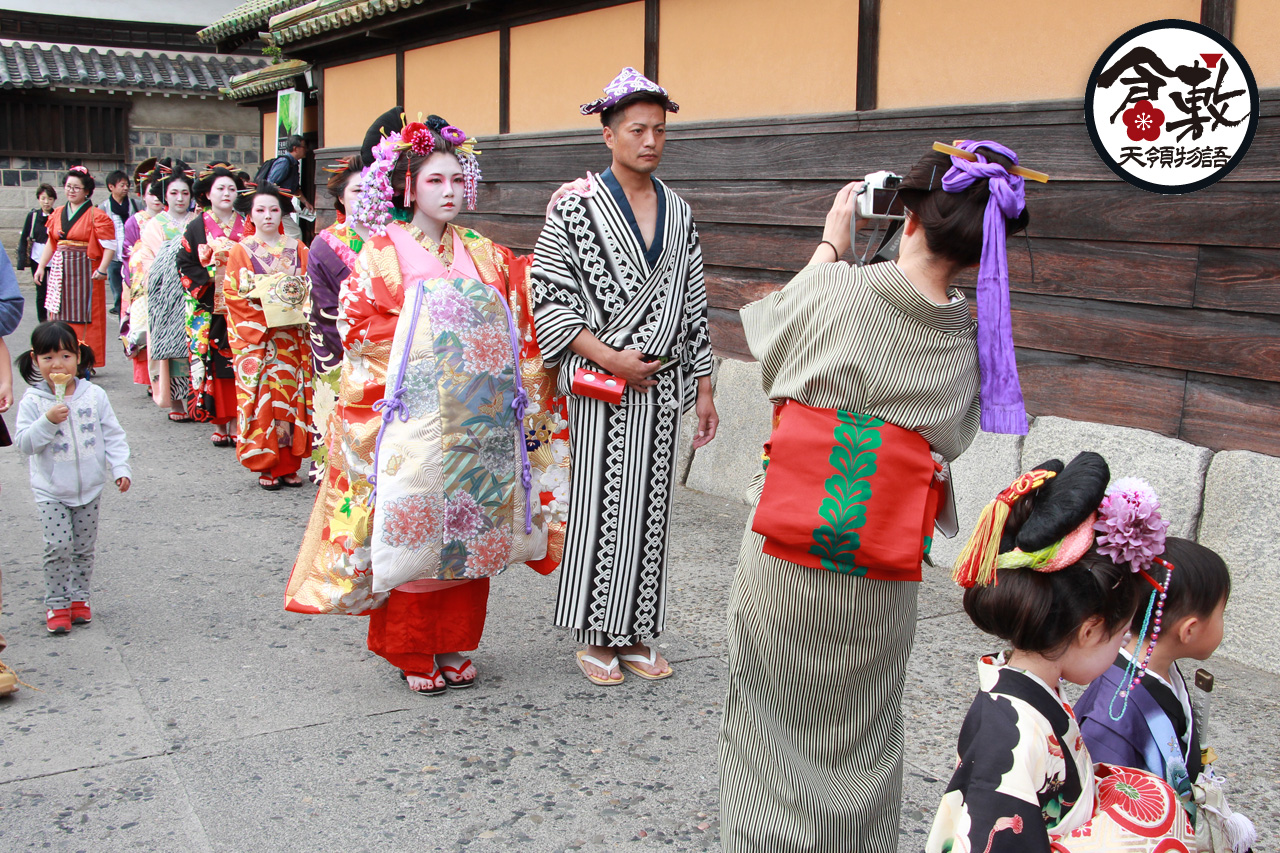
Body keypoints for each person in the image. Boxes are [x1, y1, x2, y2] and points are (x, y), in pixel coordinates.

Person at [717, 141, 1034, 851]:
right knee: (861, 732)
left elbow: (769, 338)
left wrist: (832, 245)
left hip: (785, 558)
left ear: (910, 217)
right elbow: (949, 439)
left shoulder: (834, 289)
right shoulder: (969, 342)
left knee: (766, 718)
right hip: (879, 569)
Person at [286, 109, 569, 695]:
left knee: (472, 528)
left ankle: (456, 640)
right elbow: (358, 331)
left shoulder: (486, 253)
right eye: (434, 180)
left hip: (477, 416)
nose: (449, 191)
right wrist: (434, 347)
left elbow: (519, 315)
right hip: (414, 418)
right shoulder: (380, 253)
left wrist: (555, 220)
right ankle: (413, 648)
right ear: (408, 186)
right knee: (413, 532)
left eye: (455, 179)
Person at [531, 68, 717, 685]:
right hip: (600, 382)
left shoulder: (680, 210)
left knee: (652, 509)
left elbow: (693, 301)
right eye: (637, 129)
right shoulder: (577, 208)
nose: (651, 142)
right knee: (603, 504)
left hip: (660, 383)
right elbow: (549, 296)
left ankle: (637, 631)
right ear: (608, 134)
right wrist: (609, 357)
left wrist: (705, 386)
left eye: (660, 131)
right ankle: (596, 633)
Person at [926, 454, 1195, 852]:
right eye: (1121, 636)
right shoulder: (1009, 731)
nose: (1124, 646)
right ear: (1089, 630)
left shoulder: (1034, 694)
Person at [1075, 536, 1256, 852]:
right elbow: (1108, 822)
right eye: (1221, 613)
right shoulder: (1112, 716)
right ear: (1189, 631)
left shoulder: (1158, 670)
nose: (1223, 623)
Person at [12, 321, 132, 635]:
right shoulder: (34, 401)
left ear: (78, 357)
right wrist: (48, 421)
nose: (57, 365)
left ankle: (79, 598)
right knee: (57, 545)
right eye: (48, 357)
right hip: (51, 488)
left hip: (90, 487)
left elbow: (113, 434)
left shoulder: (94, 395)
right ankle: (56, 601)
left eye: (65, 355)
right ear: (35, 360)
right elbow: (25, 443)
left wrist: (120, 469)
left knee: (83, 547)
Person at [221, 181, 312, 490]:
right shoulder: (241, 250)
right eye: (261, 210)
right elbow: (233, 295)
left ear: (282, 213)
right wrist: (266, 316)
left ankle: (289, 464)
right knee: (262, 398)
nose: (268, 215)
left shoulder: (298, 248)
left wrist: (296, 308)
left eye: (274, 209)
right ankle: (267, 464)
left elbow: (309, 288)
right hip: (259, 338)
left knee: (290, 396)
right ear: (251, 214)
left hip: (290, 336)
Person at [176, 163, 247, 446]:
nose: (227, 193)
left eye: (231, 188)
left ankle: (238, 420)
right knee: (213, 362)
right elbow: (184, 262)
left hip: (241, 302)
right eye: (220, 188)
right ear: (207, 193)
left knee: (239, 359)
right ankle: (220, 422)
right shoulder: (196, 227)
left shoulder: (247, 224)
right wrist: (209, 290)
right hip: (207, 303)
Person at [304, 155, 366, 481]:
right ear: (340, 196)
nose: (364, 197)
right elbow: (320, 303)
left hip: (388, 340)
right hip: (338, 339)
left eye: (371, 189)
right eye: (356, 190)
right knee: (337, 400)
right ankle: (333, 473)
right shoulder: (324, 243)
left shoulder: (394, 237)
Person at [131, 159, 197, 419]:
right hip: (166, 295)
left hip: (194, 292)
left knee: (195, 345)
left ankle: (196, 399)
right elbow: (149, 261)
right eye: (174, 193)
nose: (180, 198)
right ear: (164, 196)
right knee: (171, 349)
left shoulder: (198, 221)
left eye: (185, 193)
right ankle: (176, 402)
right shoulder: (155, 225)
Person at [35, 167, 117, 370]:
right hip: (60, 270)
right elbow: (51, 243)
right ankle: (61, 357)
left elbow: (109, 245)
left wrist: (103, 269)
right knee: (58, 315)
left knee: (88, 316)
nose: (71, 191)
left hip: (86, 270)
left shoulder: (96, 215)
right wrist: (41, 266)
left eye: (76, 187)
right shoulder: (58, 213)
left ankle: (86, 360)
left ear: (86, 191)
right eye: (68, 186)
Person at [120, 172, 165, 388]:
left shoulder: (169, 220)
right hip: (139, 281)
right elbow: (128, 254)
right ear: (143, 196)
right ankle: (149, 379)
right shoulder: (135, 221)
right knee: (141, 328)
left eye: (159, 193)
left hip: (166, 279)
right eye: (151, 193)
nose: (156, 198)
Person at [99, 170, 143, 316]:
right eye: (122, 185)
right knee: (118, 291)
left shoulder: (136, 205)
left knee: (135, 289)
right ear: (111, 187)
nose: (125, 188)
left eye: (127, 185)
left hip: (133, 255)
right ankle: (121, 321)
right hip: (114, 256)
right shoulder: (104, 208)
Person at [18, 184, 56, 322]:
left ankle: (54, 318)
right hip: (37, 257)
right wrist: (21, 261)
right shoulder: (33, 216)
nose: (46, 202)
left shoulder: (57, 215)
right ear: (39, 199)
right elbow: (24, 238)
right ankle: (42, 320)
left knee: (55, 290)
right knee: (41, 291)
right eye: (43, 198)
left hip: (54, 258)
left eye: (50, 198)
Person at [264, 134, 313, 240]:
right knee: (295, 234)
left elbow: (295, 189)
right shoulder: (284, 163)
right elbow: (269, 185)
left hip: (282, 207)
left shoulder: (293, 164)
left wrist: (305, 202)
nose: (306, 150)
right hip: (278, 207)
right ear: (295, 148)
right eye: (304, 147)